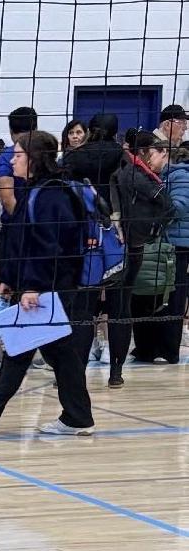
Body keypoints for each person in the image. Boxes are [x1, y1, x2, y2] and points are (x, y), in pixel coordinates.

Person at [0, 131, 96, 439]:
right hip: (39, 286)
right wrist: (11, 279)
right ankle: (78, 416)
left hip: (49, 288)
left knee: (20, 349)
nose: (12, 161)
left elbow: (49, 248)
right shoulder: (34, 190)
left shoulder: (52, 195)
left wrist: (33, 286)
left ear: (35, 159)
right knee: (60, 354)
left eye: (18, 155)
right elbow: (23, 242)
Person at [106, 130, 174, 387]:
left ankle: (71, 370)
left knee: (91, 308)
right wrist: (151, 230)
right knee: (121, 307)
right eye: (159, 152)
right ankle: (115, 372)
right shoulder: (137, 175)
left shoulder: (122, 170)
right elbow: (167, 206)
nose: (163, 158)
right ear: (144, 152)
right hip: (129, 246)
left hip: (109, 245)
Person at [133, 142, 189, 365]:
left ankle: (168, 349)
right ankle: (148, 347)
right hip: (161, 244)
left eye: (151, 153)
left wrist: (150, 209)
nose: (147, 158)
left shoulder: (180, 176)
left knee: (172, 298)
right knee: (151, 293)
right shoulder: (159, 177)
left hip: (175, 247)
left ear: (164, 153)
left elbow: (178, 208)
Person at [61, 110, 123, 194]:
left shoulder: (73, 157)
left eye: (79, 132)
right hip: (111, 200)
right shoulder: (121, 154)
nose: (75, 136)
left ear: (88, 131)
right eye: (71, 133)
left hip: (81, 199)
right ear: (114, 133)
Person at [0, 106, 38, 215]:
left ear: (10, 131)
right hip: (45, 217)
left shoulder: (6, 156)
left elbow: (7, 199)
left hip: (17, 220)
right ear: (36, 128)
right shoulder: (46, 151)